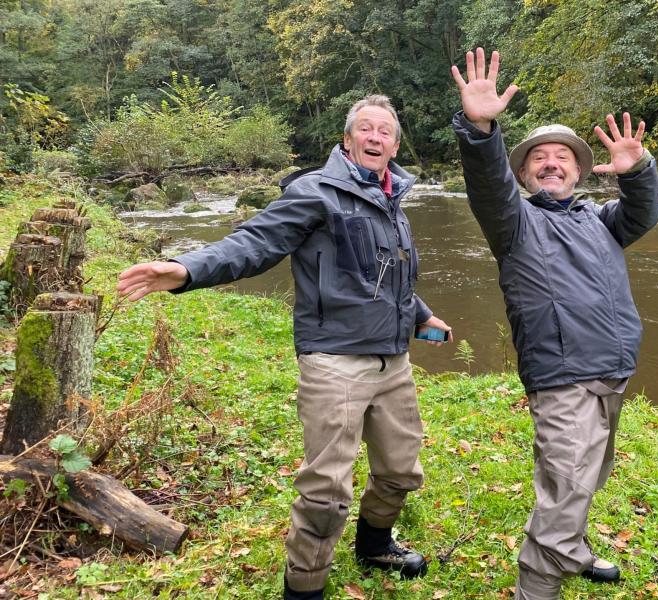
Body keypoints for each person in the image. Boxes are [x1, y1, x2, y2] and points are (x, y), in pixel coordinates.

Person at [117, 95, 451, 600]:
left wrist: (421, 313)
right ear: (347, 140)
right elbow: (254, 242)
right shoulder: (315, 192)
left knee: (401, 473)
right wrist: (187, 269)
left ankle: (375, 544)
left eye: (384, 131)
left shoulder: (393, 199)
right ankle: (304, 588)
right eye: (365, 128)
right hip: (334, 361)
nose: (375, 137)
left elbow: (384, 276)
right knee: (326, 494)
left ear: (395, 145)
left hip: (393, 362)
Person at [450, 48, 658, 599]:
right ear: (522, 173)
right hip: (563, 377)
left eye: (562, 157)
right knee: (566, 486)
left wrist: (637, 170)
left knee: (588, 477)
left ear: (581, 170)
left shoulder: (600, 220)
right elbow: (488, 187)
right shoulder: (515, 223)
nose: (551, 163)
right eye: (538, 158)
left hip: (613, 370)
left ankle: (577, 548)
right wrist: (480, 127)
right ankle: (536, 588)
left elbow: (642, 213)